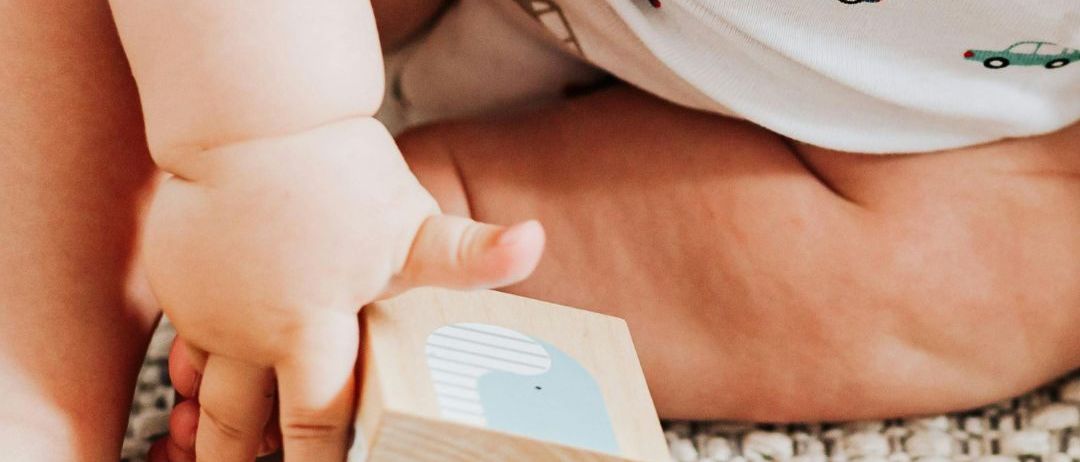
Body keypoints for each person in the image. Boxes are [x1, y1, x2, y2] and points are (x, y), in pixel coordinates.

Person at [0, 1, 1075, 461]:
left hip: (923, 93)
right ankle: (37, 382)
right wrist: (265, 135)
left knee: (1022, 259)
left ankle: (417, 249)